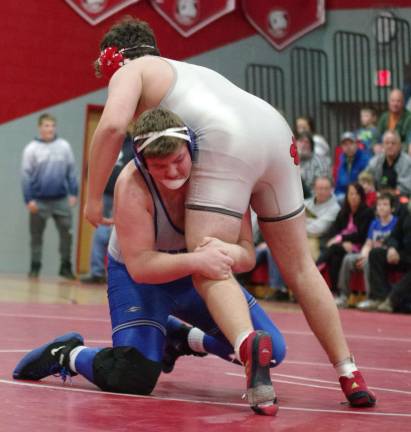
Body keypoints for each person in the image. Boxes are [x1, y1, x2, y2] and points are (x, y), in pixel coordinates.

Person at [84, 17, 376, 409]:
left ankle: (246, 347)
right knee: (302, 267)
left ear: (116, 58)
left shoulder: (133, 69)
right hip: (274, 129)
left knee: (207, 254)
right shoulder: (189, 73)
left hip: (227, 139)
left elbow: (112, 126)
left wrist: (90, 199)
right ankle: (348, 372)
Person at [14, 108, 286, 416]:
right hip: (141, 278)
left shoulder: (217, 174)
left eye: (178, 161)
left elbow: (247, 253)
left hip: (197, 274)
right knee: (133, 377)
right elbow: (141, 266)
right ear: (142, 162)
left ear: (191, 148)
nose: (172, 173)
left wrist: (226, 255)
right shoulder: (131, 185)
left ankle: (182, 338)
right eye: (160, 166)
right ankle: (67, 354)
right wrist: (199, 258)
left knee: (271, 352)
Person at [21, 113, 78, 279]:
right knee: (36, 237)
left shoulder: (64, 146)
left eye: (52, 125)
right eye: (46, 126)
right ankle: (35, 267)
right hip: (38, 201)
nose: (50, 129)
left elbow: (72, 172)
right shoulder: (31, 149)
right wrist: (29, 199)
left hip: (61, 200)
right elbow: (26, 176)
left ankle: (65, 267)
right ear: (40, 128)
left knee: (67, 234)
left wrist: (73, 193)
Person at [80, 133, 134, 284]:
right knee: (100, 232)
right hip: (105, 195)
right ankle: (97, 272)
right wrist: (93, 195)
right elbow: (91, 165)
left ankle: (125, 272)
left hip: (124, 195)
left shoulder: (133, 144)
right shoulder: (105, 142)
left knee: (123, 233)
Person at [335, 192, 398, 308]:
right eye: (379, 205)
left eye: (385, 205)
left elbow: (394, 244)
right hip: (370, 254)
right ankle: (343, 295)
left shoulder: (396, 223)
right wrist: (363, 256)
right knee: (348, 258)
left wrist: (367, 258)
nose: (381, 207)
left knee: (370, 262)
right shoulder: (374, 223)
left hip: (384, 257)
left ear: (392, 208)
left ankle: (372, 298)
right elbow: (368, 244)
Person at [316, 183, 374, 293]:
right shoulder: (343, 211)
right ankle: (335, 291)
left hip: (359, 246)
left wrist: (342, 238)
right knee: (335, 257)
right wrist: (341, 241)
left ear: (361, 196)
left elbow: (362, 235)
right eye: (351, 194)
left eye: (357, 194)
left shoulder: (367, 212)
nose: (354, 197)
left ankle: (317, 266)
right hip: (342, 246)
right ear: (346, 196)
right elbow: (333, 230)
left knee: (333, 248)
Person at [357, 202, 411, 311]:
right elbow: (394, 236)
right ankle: (379, 298)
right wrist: (392, 248)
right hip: (403, 254)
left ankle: (391, 300)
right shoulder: (406, 211)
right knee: (376, 254)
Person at [365, 129, 411, 198]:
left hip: (400, 198)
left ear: (399, 146)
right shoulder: (376, 160)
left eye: (393, 143)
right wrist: (368, 185)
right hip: (379, 198)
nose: (390, 146)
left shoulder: (407, 162)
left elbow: (407, 188)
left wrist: (389, 193)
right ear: (383, 145)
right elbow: (365, 176)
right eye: (387, 143)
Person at [304, 176, 340, 261]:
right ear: (314, 189)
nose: (322, 191)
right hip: (301, 236)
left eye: (326, 188)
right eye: (320, 188)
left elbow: (317, 229)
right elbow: (294, 223)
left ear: (331, 189)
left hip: (319, 240)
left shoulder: (335, 208)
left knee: (308, 248)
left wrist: (303, 223)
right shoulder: (306, 203)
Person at [334, 132, 370, 203]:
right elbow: (338, 185)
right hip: (343, 196)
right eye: (345, 144)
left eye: (351, 143)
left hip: (360, 196)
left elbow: (365, 183)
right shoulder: (341, 160)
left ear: (356, 144)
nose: (348, 147)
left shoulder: (365, 159)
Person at [296, 132, 330, 196]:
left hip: (313, 198)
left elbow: (322, 187)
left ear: (311, 146)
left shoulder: (319, 161)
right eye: (301, 141)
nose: (303, 145)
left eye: (306, 142)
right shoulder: (291, 161)